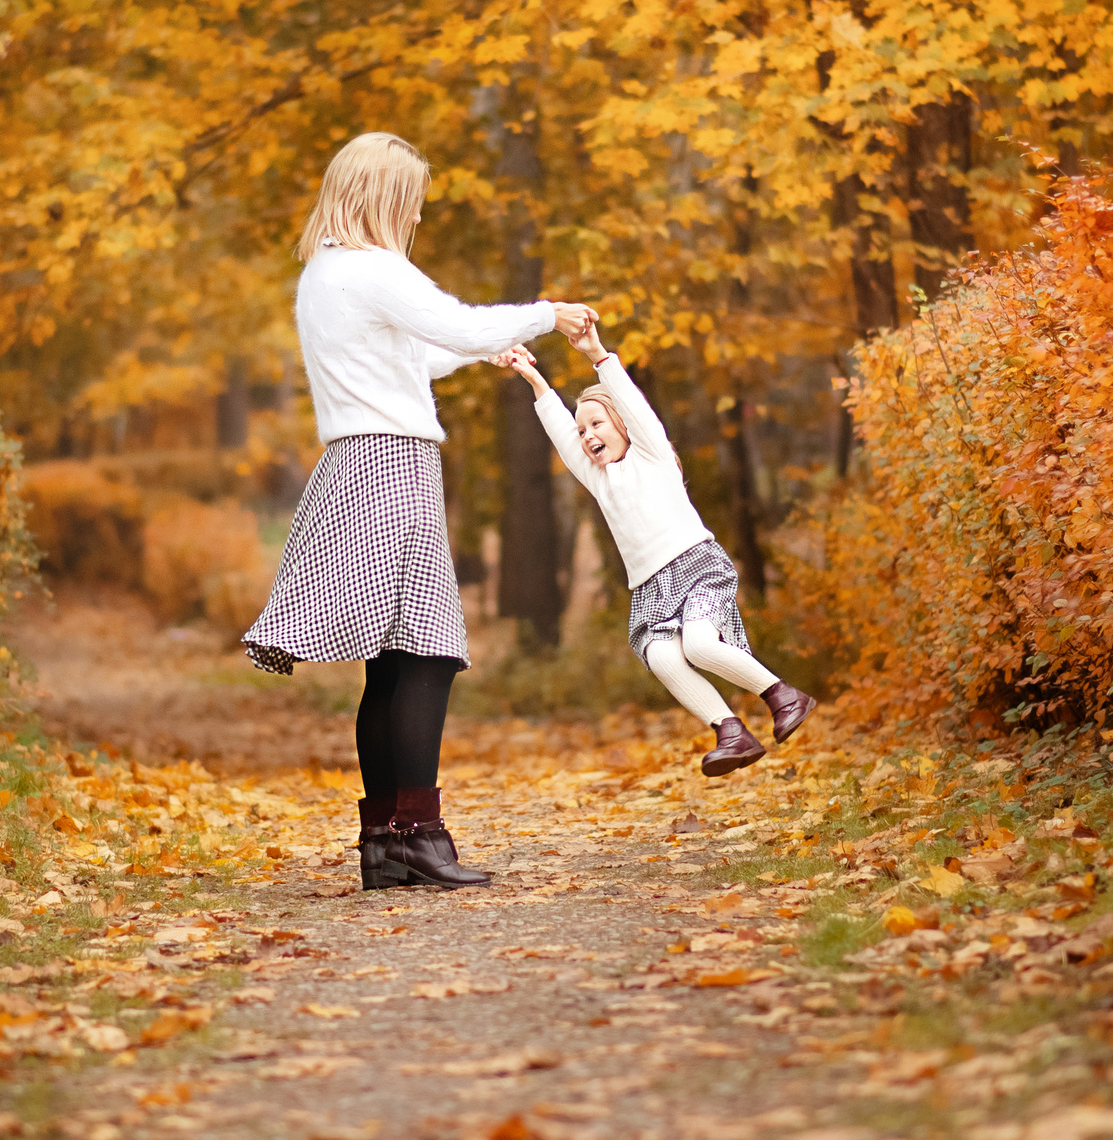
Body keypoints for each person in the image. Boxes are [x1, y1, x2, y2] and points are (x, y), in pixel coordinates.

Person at [243, 132, 599, 889]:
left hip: (359, 460)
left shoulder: (326, 274)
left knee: (396, 659)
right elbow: (460, 324)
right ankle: (420, 835)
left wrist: (483, 351)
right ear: (384, 197)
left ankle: (386, 843)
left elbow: (420, 354)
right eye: (411, 203)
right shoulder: (374, 269)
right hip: (391, 464)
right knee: (428, 651)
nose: (415, 218)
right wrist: (545, 314)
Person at [498, 324, 816, 777]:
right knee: (665, 658)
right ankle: (731, 732)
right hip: (650, 588)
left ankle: (783, 695)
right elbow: (562, 436)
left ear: (622, 425)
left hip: (696, 567)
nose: (586, 435)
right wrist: (535, 379)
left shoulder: (652, 455)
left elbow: (630, 401)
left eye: (596, 424)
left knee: (702, 646)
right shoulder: (600, 480)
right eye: (582, 429)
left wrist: (598, 354)